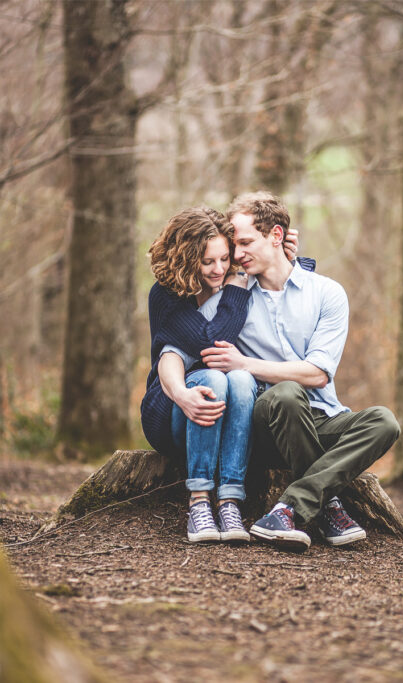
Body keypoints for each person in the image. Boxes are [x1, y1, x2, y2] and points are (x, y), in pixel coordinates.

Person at [196, 191, 401, 552]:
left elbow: (319, 374)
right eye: (235, 245)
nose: (238, 254)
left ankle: (291, 506)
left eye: (246, 243)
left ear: (276, 235)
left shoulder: (327, 293)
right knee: (287, 394)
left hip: (321, 417)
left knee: (384, 421)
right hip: (265, 423)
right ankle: (328, 506)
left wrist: (244, 363)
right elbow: (188, 332)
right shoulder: (234, 299)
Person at [142, 207, 308, 544]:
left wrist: (288, 255)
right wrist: (233, 291)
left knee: (243, 378)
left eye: (224, 258)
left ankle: (230, 500)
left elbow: (283, 285)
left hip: (227, 407)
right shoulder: (166, 295)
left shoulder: (233, 278)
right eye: (207, 262)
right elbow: (210, 344)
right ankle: (200, 502)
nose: (218, 269)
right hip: (172, 408)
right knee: (214, 377)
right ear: (186, 260)